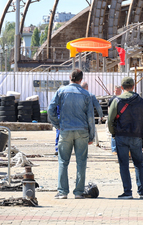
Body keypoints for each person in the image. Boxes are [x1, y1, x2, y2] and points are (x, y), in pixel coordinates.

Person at [48, 69, 95, 199]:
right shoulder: (86, 94)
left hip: (65, 130)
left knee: (63, 161)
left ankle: (62, 192)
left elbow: (50, 110)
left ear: (70, 77)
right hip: (82, 131)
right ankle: (79, 192)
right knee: (81, 162)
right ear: (81, 79)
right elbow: (90, 117)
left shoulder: (61, 91)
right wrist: (92, 136)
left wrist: (58, 125)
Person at [107, 77, 143, 199]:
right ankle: (142, 192)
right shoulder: (141, 101)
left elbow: (110, 120)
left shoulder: (116, 100)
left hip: (121, 136)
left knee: (124, 164)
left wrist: (113, 133)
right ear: (133, 86)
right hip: (137, 135)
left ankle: (127, 192)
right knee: (138, 164)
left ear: (122, 87)